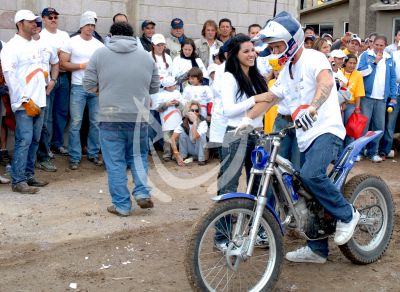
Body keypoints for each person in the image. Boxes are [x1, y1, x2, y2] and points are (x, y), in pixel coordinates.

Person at [239, 11, 360, 263]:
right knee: (304, 191)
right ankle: (317, 250)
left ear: (292, 40)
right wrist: (247, 120)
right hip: (305, 136)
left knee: (311, 175)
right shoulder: (286, 70)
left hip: (326, 130)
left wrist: (314, 106)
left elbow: (325, 82)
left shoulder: (314, 57)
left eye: (277, 45)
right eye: (271, 46)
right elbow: (271, 97)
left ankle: (348, 214)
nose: (273, 50)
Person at [83, 21, 159, 216]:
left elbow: (88, 85)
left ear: (111, 35)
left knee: (115, 162)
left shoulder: (100, 54)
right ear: (132, 35)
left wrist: (104, 90)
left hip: (110, 116)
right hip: (138, 117)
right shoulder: (146, 57)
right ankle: (142, 192)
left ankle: (122, 206)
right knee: (138, 156)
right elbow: (154, 88)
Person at [1, 10, 50, 193]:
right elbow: (9, 75)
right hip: (24, 103)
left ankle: (29, 175)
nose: (35, 24)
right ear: (20, 24)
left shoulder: (35, 44)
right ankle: (18, 180)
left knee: (35, 140)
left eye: (35, 21)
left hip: (40, 100)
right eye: (30, 22)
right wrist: (22, 99)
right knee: (24, 140)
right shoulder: (11, 46)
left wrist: (45, 81)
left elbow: (41, 67)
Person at [217, 33, 269, 196]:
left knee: (258, 185)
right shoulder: (229, 77)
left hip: (258, 135)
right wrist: (255, 98)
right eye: (246, 51)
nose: (251, 54)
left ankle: (253, 220)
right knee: (229, 184)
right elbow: (229, 110)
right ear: (235, 55)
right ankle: (222, 221)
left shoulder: (257, 76)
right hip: (236, 134)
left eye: (252, 50)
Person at [60, 13, 105, 170]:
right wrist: (81, 66)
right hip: (78, 87)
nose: (90, 28)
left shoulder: (99, 45)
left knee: (96, 123)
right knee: (76, 123)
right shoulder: (71, 42)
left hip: (95, 88)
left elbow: (104, 67)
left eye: (92, 26)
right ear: (81, 26)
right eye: (87, 25)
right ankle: (74, 157)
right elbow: (63, 64)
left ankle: (93, 153)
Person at [357, 35, 397, 163]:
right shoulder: (365, 55)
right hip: (367, 97)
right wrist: (374, 63)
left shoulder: (389, 58)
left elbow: (392, 78)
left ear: (385, 46)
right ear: (372, 44)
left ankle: (372, 152)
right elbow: (360, 73)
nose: (379, 47)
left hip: (382, 99)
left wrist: (393, 96)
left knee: (379, 127)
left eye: (382, 45)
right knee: (364, 126)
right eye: (377, 44)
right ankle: (359, 151)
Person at [39, 7, 70, 157]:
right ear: (43, 19)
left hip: (64, 77)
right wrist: (59, 53)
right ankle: (46, 148)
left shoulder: (64, 35)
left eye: (55, 17)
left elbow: (69, 56)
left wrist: (59, 53)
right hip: (48, 79)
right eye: (49, 17)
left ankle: (57, 143)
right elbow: (57, 57)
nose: (53, 20)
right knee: (47, 115)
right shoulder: (40, 35)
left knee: (62, 112)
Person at [34, 15, 60, 172]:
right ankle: (27, 160)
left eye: (37, 25)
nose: (35, 27)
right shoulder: (19, 45)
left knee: (43, 124)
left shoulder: (47, 44)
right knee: (25, 126)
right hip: (27, 93)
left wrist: (53, 81)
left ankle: (43, 157)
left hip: (45, 91)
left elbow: (55, 63)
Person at [155, 76, 184, 161]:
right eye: (173, 85)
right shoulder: (160, 95)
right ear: (168, 86)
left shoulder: (177, 93)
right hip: (166, 121)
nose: (175, 86)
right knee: (167, 139)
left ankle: (176, 154)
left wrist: (177, 103)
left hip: (178, 119)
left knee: (177, 138)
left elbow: (183, 105)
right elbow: (157, 108)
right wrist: (167, 104)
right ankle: (167, 154)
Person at [170, 101, 208, 166]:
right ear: (188, 112)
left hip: (200, 149)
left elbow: (194, 137)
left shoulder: (203, 122)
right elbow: (172, 139)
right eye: (192, 110)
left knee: (201, 136)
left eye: (197, 111)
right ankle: (182, 156)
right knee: (182, 134)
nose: (194, 113)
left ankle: (201, 159)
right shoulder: (184, 122)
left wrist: (195, 122)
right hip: (190, 148)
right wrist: (176, 154)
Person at [340, 54, 365, 147]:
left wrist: (357, 108)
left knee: (350, 130)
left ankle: (348, 152)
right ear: (345, 63)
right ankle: (338, 154)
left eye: (354, 63)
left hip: (351, 105)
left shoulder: (358, 75)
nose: (352, 65)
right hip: (339, 105)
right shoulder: (339, 72)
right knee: (339, 130)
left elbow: (358, 93)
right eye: (350, 63)